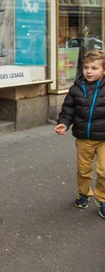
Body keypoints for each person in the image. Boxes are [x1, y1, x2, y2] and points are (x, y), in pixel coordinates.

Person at [55, 50, 105, 219]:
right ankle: (83, 193)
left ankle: (102, 198)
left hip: (104, 138)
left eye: (94, 68)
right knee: (84, 169)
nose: (89, 71)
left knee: (104, 171)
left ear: (104, 70)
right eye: (86, 67)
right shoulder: (76, 88)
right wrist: (64, 123)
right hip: (84, 137)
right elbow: (68, 109)